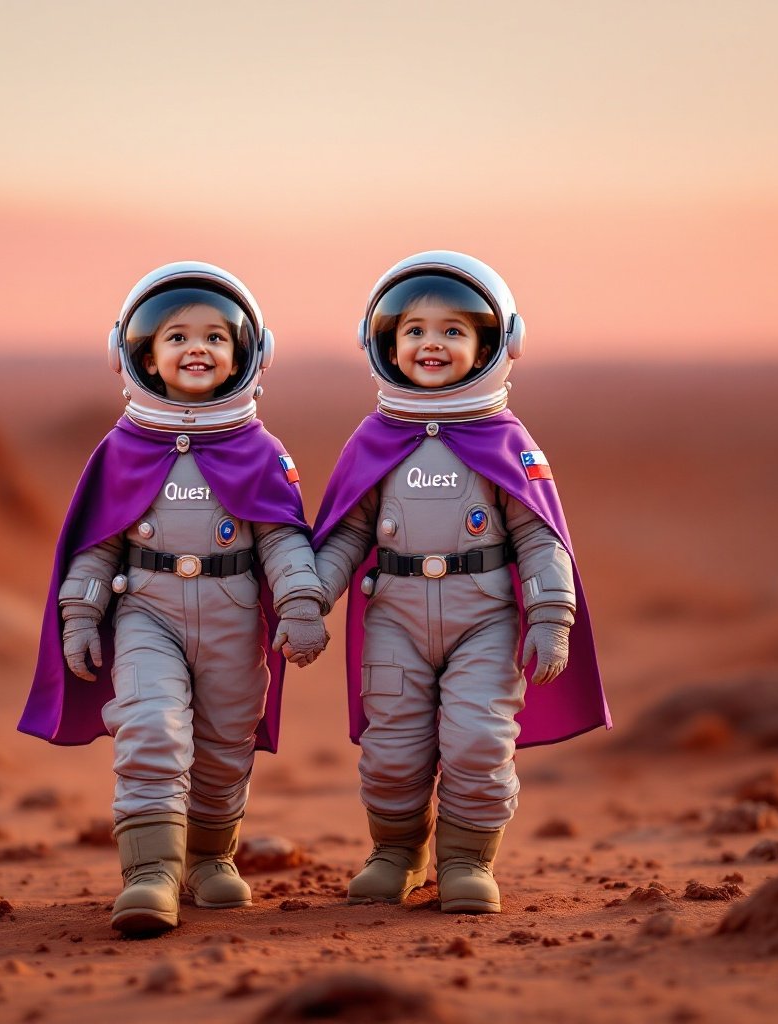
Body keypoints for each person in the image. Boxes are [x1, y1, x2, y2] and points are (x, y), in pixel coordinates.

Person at [19, 262, 328, 936]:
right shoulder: (121, 450)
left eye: (217, 337)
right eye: (177, 336)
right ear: (137, 356)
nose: (198, 348)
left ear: (250, 353)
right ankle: (150, 871)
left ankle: (210, 858)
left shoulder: (260, 450)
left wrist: (301, 603)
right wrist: (80, 615)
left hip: (234, 617)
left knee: (224, 744)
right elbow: (98, 544)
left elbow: (282, 538)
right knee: (150, 727)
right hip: (146, 612)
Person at [313, 251, 609, 914]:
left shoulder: (505, 440)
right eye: (414, 330)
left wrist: (552, 616)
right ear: (384, 345)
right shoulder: (374, 439)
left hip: (487, 619)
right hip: (395, 617)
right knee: (392, 746)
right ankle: (396, 851)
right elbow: (344, 534)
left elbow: (540, 536)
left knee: (478, 738)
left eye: (453, 330)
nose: (431, 343)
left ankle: (467, 860)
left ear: (493, 344)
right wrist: (310, 597)